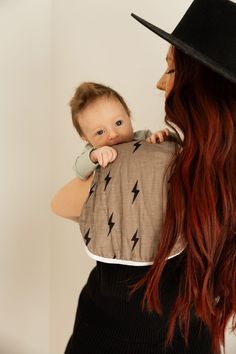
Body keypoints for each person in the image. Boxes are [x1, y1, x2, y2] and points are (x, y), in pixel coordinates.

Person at [51, 0, 236, 353]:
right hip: (196, 338)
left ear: (201, 85)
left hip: (109, 338)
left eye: (170, 68)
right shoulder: (220, 173)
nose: (158, 83)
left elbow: (62, 205)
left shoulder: (140, 162)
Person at [70, 81, 171, 180]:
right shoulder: (92, 151)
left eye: (118, 123)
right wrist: (93, 156)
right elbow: (79, 170)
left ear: (128, 116)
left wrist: (160, 137)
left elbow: (169, 147)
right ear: (86, 139)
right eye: (100, 132)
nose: (113, 134)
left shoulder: (143, 137)